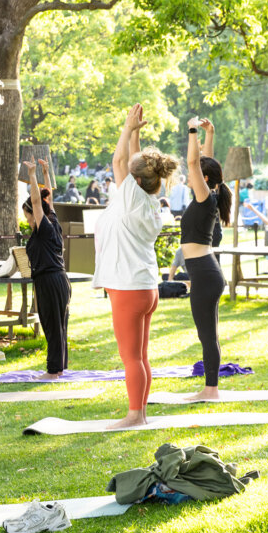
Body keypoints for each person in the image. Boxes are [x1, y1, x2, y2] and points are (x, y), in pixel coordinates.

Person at [93, 104, 179, 429]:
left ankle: (134, 415)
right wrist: (136, 134)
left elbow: (119, 162)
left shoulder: (129, 197)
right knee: (140, 356)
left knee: (131, 357)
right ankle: (139, 413)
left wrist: (127, 128)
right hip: (145, 286)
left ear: (134, 180)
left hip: (129, 287)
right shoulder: (149, 201)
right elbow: (133, 163)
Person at [179, 118, 232, 402]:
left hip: (205, 274)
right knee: (208, 333)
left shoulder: (205, 197)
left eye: (199, 172)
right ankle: (210, 387)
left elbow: (193, 165)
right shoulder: (209, 194)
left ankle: (210, 389)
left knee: (207, 334)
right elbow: (204, 164)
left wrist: (192, 131)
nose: (191, 175)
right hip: (204, 272)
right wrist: (211, 133)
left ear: (205, 178)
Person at [23, 159, 71, 380]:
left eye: (28, 215)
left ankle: (53, 371)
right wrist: (45, 172)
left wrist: (33, 175)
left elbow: (37, 200)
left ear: (35, 213)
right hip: (58, 280)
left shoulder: (43, 227)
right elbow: (47, 198)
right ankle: (60, 367)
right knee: (59, 326)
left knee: (52, 326)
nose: (27, 220)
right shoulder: (53, 220)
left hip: (50, 281)